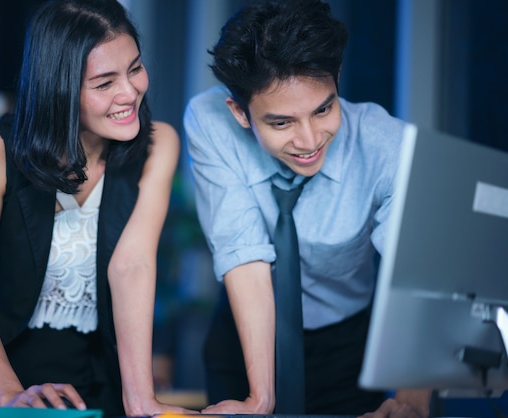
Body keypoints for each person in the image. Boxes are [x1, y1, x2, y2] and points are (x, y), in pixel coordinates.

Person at [0, 1, 193, 416]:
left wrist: (140, 402)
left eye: (135, 68)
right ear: (59, 88)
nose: (130, 92)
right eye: (104, 83)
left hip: (85, 380)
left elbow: (133, 267)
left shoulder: (159, 143)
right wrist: (11, 396)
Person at [183, 0, 432, 416]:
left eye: (323, 109)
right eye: (281, 122)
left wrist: (411, 401)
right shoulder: (211, 122)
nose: (310, 139)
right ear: (240, 113)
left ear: (336, 79)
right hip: (244, 337)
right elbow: (243, 253)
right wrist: (259, 399)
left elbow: (418, 279)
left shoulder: (387, 145)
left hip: (348, 347)